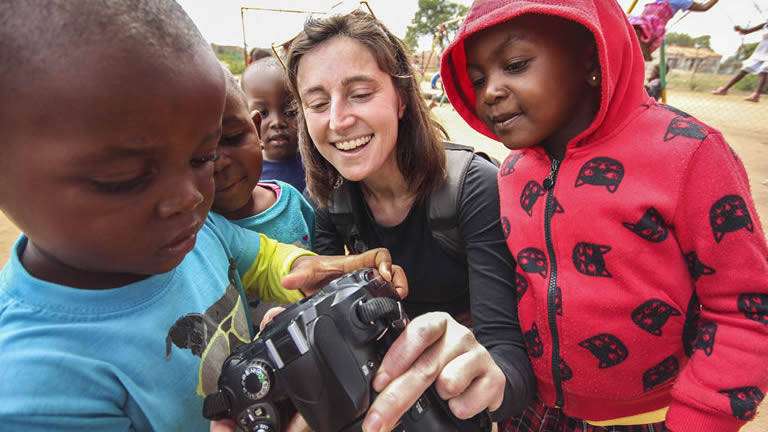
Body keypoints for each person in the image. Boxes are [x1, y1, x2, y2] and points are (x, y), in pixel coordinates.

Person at [0, 1, 407, 430]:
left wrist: (317, 269)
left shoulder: (203, 231)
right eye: (123, 177)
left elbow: (264, 259)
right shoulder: (32, 385)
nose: (190, 197)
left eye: (203, 157)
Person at [434, 0, 768, 430]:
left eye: (515, 64)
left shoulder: (687, 154)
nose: (490, 92)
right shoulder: (512, 174)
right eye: (477, 79)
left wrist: (699, 418)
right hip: (533, 413)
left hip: (652, 417)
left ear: (592, 58)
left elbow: (746, 306)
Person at [285, 9, 530, 337]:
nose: (338, 121)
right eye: (317, 104)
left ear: (401, 98)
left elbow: (504, 351)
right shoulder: (328, 199)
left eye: (360, 95)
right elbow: (331, 316)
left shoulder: (473, 187)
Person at [214, 67, 315, 324]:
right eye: (198, 157)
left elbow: (321, 257)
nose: (218, 163)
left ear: (254, 128)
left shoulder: (292, 200)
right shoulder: (200, 234)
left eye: (233, 138)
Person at [241, 56, 307, 191]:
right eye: (263, 113)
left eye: (290, 112)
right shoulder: (244, 174)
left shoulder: (320, 164)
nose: (277, 122)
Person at [629, 0, 720, 61]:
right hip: (644, 21)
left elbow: (704, 7)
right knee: (630, 23)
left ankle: (644, 53)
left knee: (637, 27)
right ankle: (640, 52)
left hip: (654, 27)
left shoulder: (680, 1)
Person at [712, 20, 768, 103]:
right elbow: (746, 32)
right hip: (760, 51)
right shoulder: (765, 25)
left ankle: (756, 94)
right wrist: (740, 29)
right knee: (745, 69)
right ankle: (725, 89)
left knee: (764, 71)